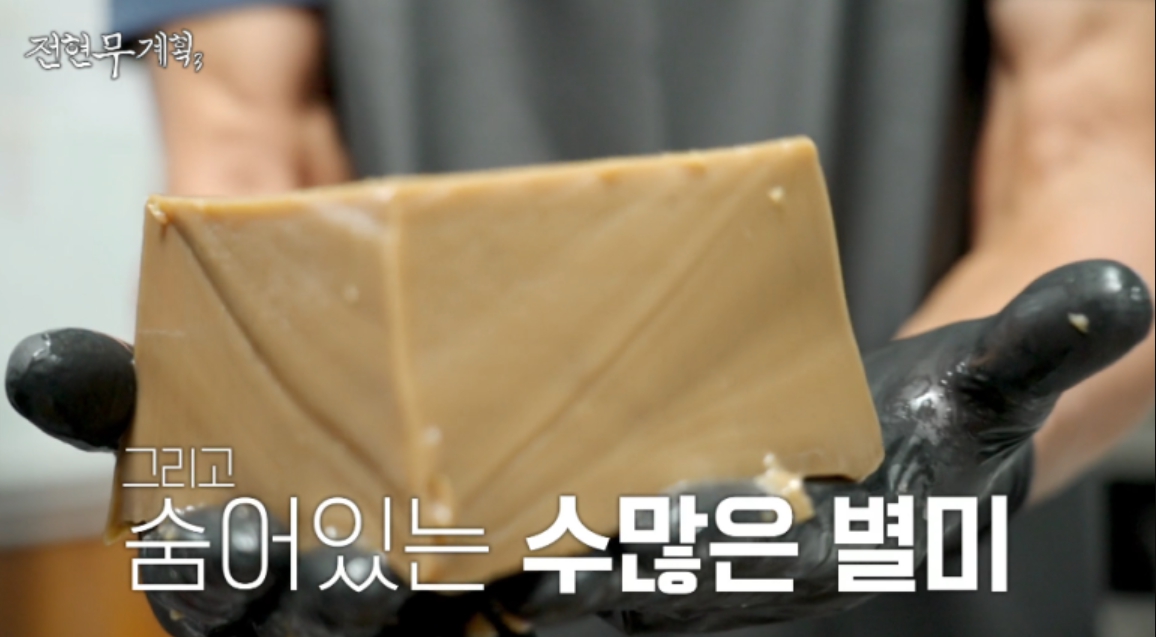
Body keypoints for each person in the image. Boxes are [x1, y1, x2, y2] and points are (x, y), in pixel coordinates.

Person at [6, 1, 1154, 636]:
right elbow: (247, 153)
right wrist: (262, 450)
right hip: (438, 579)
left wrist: (953, 429)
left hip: (930, 587)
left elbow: (1098, 146)